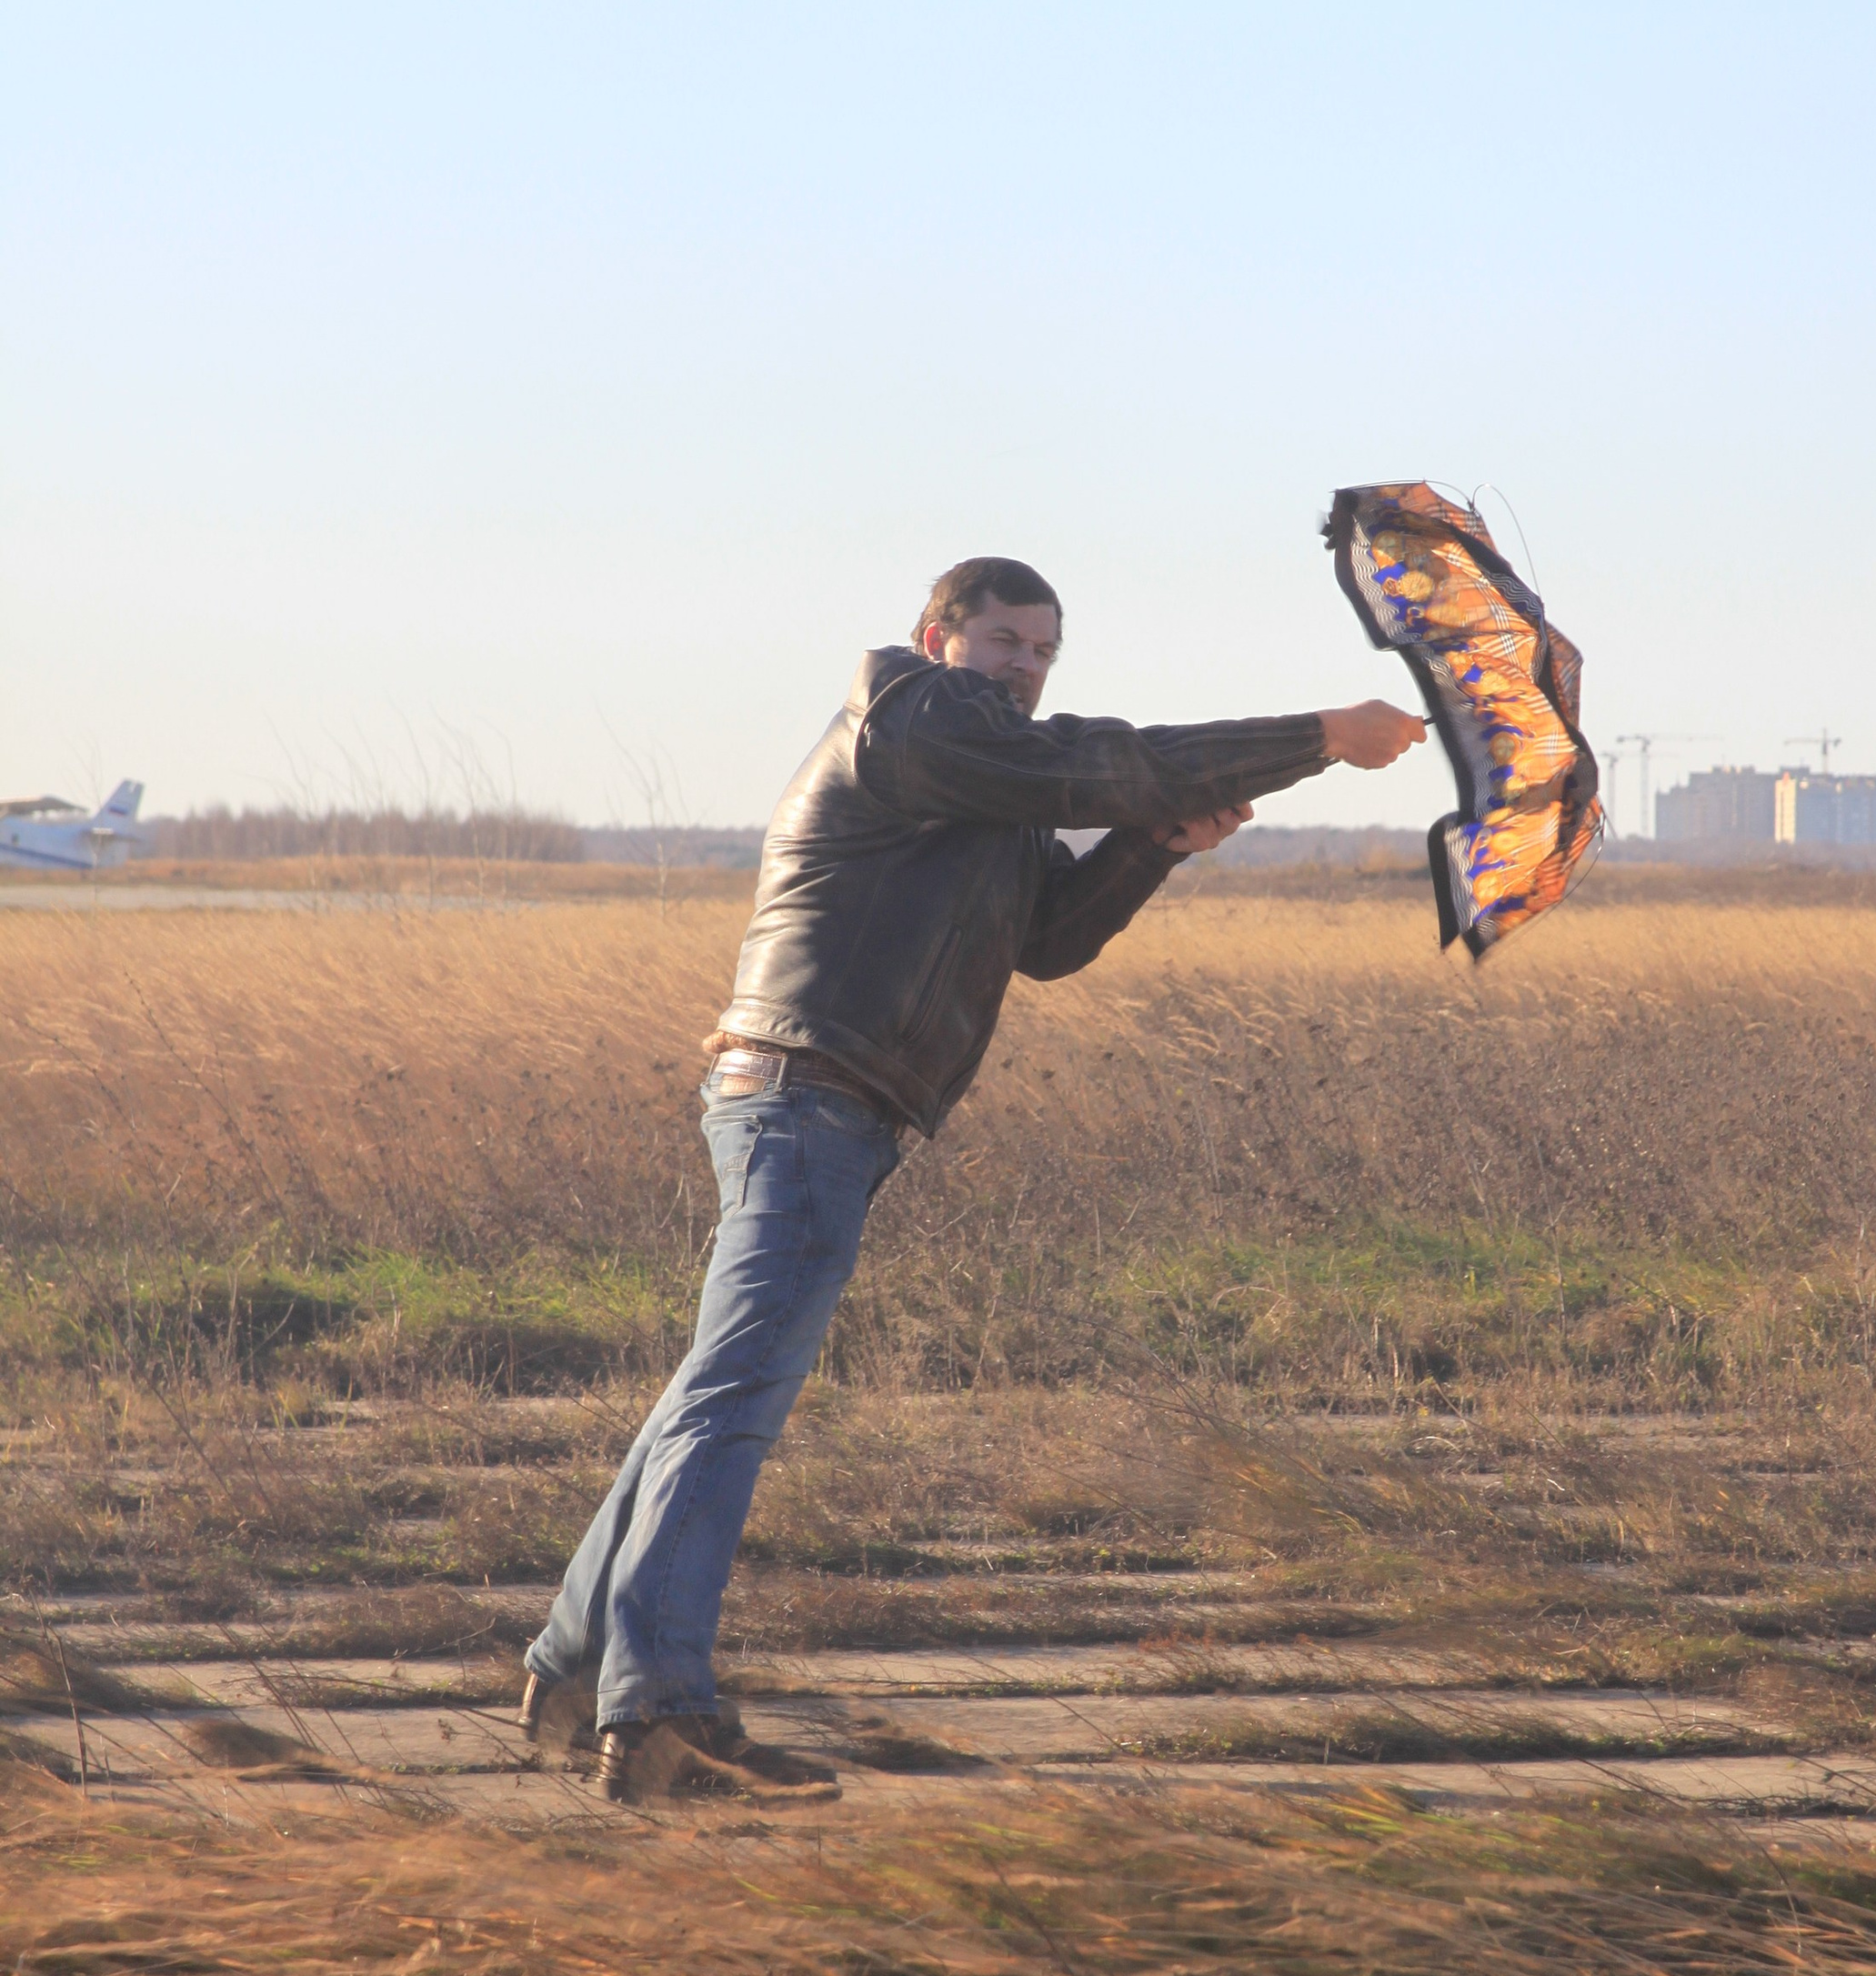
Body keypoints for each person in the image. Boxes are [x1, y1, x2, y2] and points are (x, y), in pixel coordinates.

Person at [521, 553, 1427, 1799]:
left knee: (711, 1390)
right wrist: (1318, 735)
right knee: (733, 1401)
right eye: (1004, 642)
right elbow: (1091, 765)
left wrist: (1153, 844)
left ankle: (576, 1676)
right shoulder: (908, 718)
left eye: (1044, 651)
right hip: (802, 1098)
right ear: (934, 637)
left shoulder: (980, 782)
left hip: (830, 1107)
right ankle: (658, 1712)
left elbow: (1045, 938)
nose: (1025, 669)